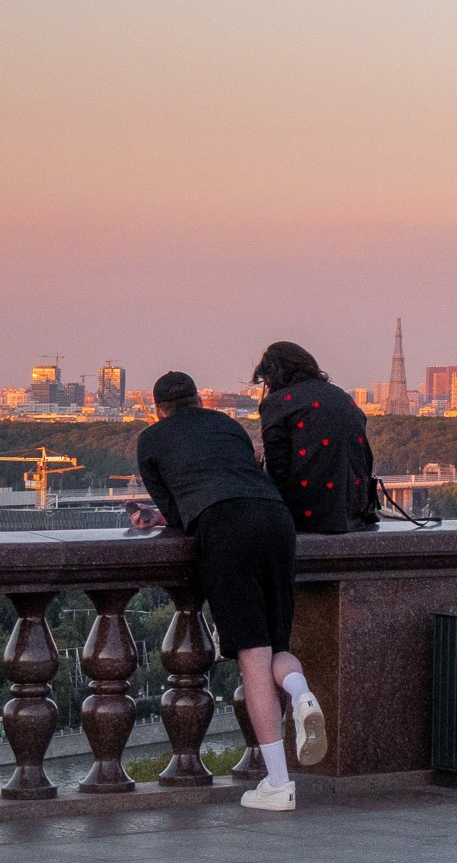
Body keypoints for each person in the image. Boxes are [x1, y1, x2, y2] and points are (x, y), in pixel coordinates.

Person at [136, 372, 326, 811]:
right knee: (279, 642)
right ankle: (301, 693)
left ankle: (279, 784)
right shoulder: (228, 425)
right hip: (276, 520)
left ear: (158, 408)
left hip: (225, 527)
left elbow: (175, 513)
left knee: (253, 659)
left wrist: (155, 519)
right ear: (199, 399)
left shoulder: (152, 439)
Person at [253, 341, 379, 534]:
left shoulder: (279, 403)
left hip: (303, 518)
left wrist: (259, 459)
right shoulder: (342, 396)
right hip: (354, 515)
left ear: (272, 374)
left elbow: (278, 471)